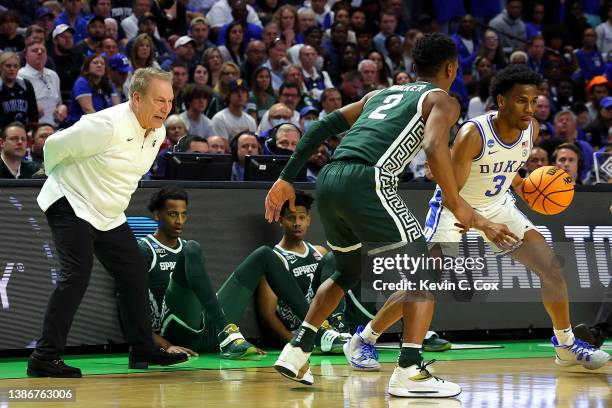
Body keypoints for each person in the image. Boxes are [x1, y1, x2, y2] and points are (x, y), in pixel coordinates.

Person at [264, 33, 504, 396]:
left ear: (413, 66)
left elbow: (319, 127)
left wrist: (286, 178)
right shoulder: (443, 100)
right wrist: (457, 203)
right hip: (369, 180)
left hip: (330, 178)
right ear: (452, 68)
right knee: (427, 270)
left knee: (346, 271)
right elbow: (434, 145)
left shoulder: (384, 93)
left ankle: (297, 349)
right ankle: (409, 369)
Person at [344, 65, 611, 377]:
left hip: (497, 206)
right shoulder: (474, 134)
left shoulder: (532, 129)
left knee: (549, 266)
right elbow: (451, 194)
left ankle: (565, 344)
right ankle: (364, 339)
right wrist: (483, 224)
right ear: (501, 101)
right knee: (426, 281)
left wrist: (522, 186)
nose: (529, 108)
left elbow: (508, 167)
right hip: (453, 207)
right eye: (521, 101)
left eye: (533, 100)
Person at [27, 67, 188, 378]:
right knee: (76, 274)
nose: (166, 108)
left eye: (169, 101)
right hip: (70, 200)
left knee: (134, 274)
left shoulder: (159, 132)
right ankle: (44, 357)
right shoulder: (105, 124)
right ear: (136, 98)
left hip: (108, 214)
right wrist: (62, 177)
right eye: (159, 101)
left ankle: (142, 349)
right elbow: (52, 146)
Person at [219, 191, 349, 361]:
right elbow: (268, 313)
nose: (297, 223)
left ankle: (341, 329)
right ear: (280, 220)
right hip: (299, 329)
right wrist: (295, 342)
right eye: (291, 218)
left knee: (335, 258)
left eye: (302, 217)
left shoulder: (320, 251)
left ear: (309, 220)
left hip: (327, 329)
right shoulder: (275, 259)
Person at [139, 187, 261, 358]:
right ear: (158, 215)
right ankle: (228, 333)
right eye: (173, 214)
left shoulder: (189, 249)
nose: (180, 221)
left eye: (183, 214)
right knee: (192, 247)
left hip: (203, 329)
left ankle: (304, 340)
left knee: (263, 255)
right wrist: (165, 345)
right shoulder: (145, 249)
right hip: (173, 330)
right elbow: (128, 307)